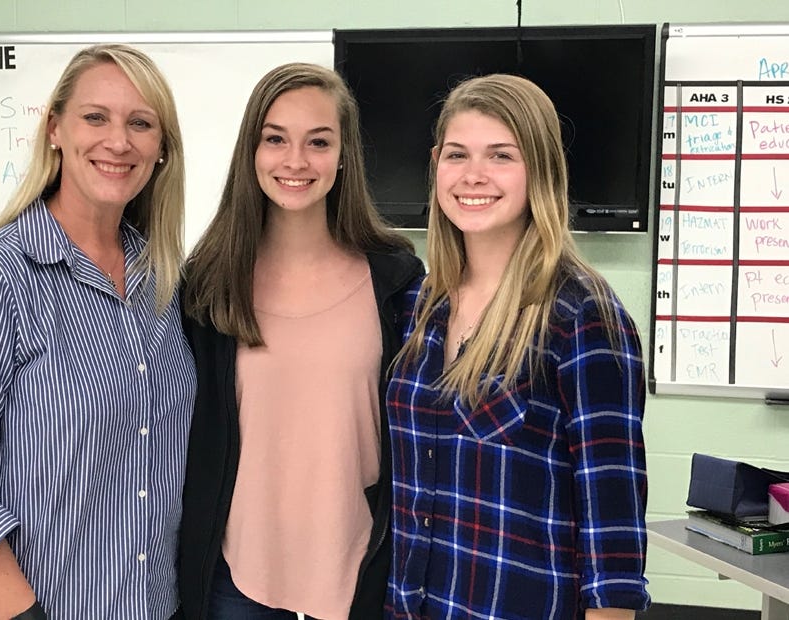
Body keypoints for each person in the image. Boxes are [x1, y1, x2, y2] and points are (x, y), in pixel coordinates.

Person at [0, 44, 195, 620]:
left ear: (162, 148)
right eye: (96, 117)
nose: (118, 141)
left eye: (141, 123)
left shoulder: (164, 281)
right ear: (56, 129)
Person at [386, 74, 649, 620]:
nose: (473, 175)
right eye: (457, 154)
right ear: (436, 164)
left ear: (541, 170)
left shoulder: (581, 315)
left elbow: (613, 536)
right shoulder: (418, 304)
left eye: (501, 155)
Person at [178, 62, 424, 620]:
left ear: (343, 155)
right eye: (275, 139)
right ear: (251, 151)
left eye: (318, 141)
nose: (295, 161)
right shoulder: (208, 286)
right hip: (239, 580)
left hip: (361, 574)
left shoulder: (396, 280)